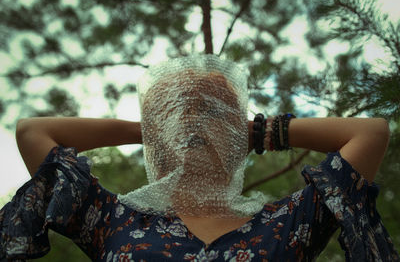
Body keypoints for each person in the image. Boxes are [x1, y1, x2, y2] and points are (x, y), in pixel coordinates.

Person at [0, 55, 399, 261]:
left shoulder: (287, 223)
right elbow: (33, 131)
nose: (190, 123)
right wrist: (150, 128)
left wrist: (258, 132)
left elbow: (370, 132)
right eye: (174, 112)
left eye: (211, 112)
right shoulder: (111, 221)